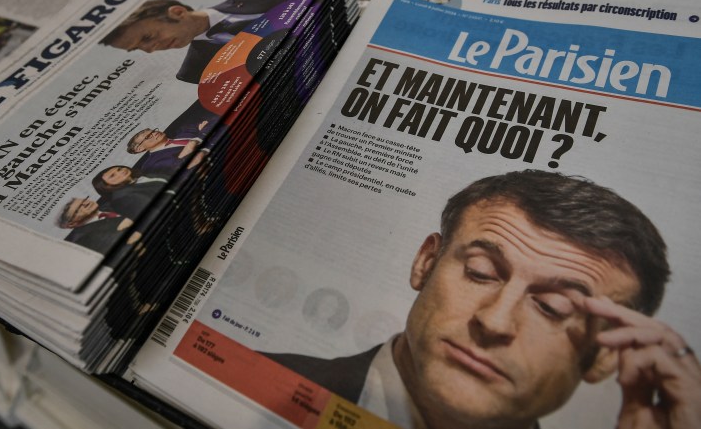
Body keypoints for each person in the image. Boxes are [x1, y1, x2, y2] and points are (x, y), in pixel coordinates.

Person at [264, 170, 701, 429]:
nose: (494, 322)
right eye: (481, 273)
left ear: (606, 356)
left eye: (552, 307)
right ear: (426, 262)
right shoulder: (261, 384)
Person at [100, 0, 329, 83]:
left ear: (178, 12)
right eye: (138, 48)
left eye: (147, 38)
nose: (150, 50)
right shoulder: (193, 72)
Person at [58, 196, 141, 254]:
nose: (86, 203)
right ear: (72, 223)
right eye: (78, 209)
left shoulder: (112, 203)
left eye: (83, 200)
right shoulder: (84, 238)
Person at [91, 165, 170, 220]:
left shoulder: (147, 175)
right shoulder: (123, 196)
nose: (121, 172)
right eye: (112, 176)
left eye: (119, 169)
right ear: (107, 186)